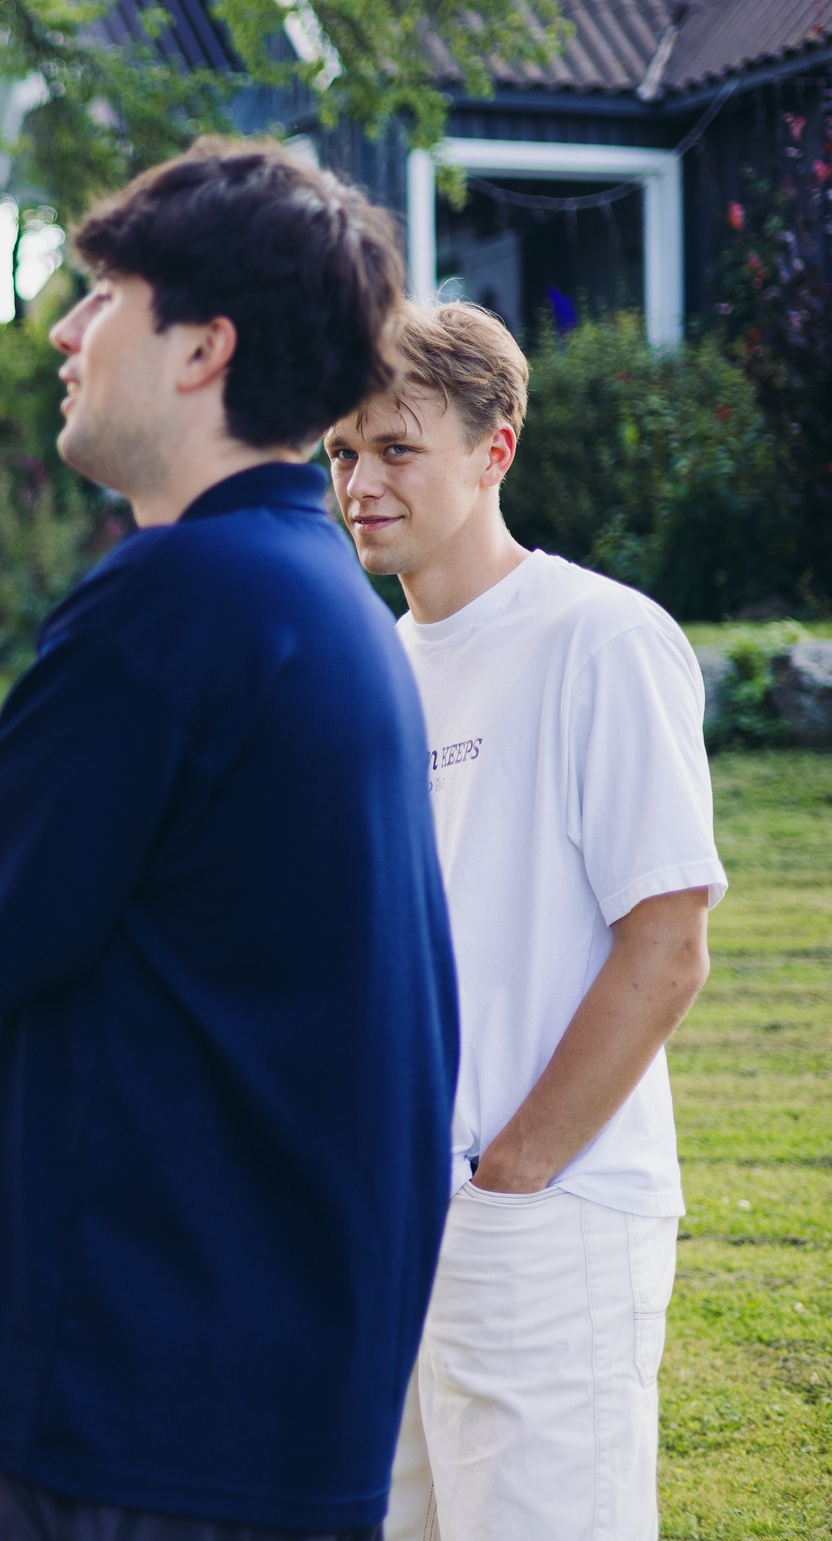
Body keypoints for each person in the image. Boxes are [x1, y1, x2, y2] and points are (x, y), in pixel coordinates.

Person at [0, 139, 459, 1540]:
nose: (67, 331)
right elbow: (129, 1006)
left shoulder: (177, 599)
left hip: (139, 1411)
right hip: (245, 1395)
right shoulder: (312, 596)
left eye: (106, 295)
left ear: (202, 346)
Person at [326, 303, 724, 1541]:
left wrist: (515, 1173)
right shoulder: (378, 664)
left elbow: (666, 946)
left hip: (542, 1223)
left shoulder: (599, 639)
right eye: (341, 453)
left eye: (396, 448)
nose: (359, 483)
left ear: (493, 450)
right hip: (393, 1226)